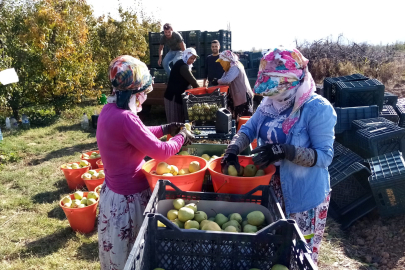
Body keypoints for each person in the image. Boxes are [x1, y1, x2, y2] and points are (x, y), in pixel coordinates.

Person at [221, 48, 336, 265]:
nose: (272, 95)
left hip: (303, 196)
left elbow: (324, 157)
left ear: (293, 82)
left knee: (297, 253)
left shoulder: (317, 109)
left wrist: (286, 151)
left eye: (277, 89)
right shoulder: (268, 105)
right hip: (273, 189)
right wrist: (233, 149)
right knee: (274, 248)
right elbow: (249, 130)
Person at [96, 55, 194, 270]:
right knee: (134, 257)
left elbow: (138, 133)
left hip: (113, 196)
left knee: (118, 257)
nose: (144, 98)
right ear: (135, 93)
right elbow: (161, 152)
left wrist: (166, 127)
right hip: (128, 201)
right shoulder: (125, 118)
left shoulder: (109, 111)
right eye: (143, 94)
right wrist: (182, 136)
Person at [215, 50, 254, 121]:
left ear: (227, 60)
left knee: (243, 120)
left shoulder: (235, 66)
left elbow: (227, 80)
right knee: (237, 120)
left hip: (243, 98)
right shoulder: (229, 68)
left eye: (222, 62)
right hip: (238, 97)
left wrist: (217, 81)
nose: (221, 64)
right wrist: (218, 82)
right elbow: (223, 79)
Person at [164, 48, 199, 123]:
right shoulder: (183, 66)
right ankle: (173, 135)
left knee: (180, 122)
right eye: (191, 58)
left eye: (193, 59)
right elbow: (193, 82)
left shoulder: (184, 64)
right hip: (173, 97)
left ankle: (178, 134)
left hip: (178, 96)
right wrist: (201, 91)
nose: (192, 61)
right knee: (174, 122)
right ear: (186, 56)